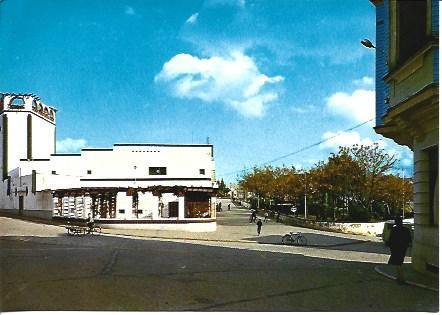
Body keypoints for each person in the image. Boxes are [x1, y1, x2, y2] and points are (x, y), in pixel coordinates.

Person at [387, 216, 412, 284]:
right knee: (400, 263)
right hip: (403, 248)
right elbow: (409, 240)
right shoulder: (406, 229)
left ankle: (401, 278)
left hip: (396, 249)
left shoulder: (394, 229)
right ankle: (400, 277)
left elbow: (390, 240)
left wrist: (391, 248)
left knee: (398, 263)